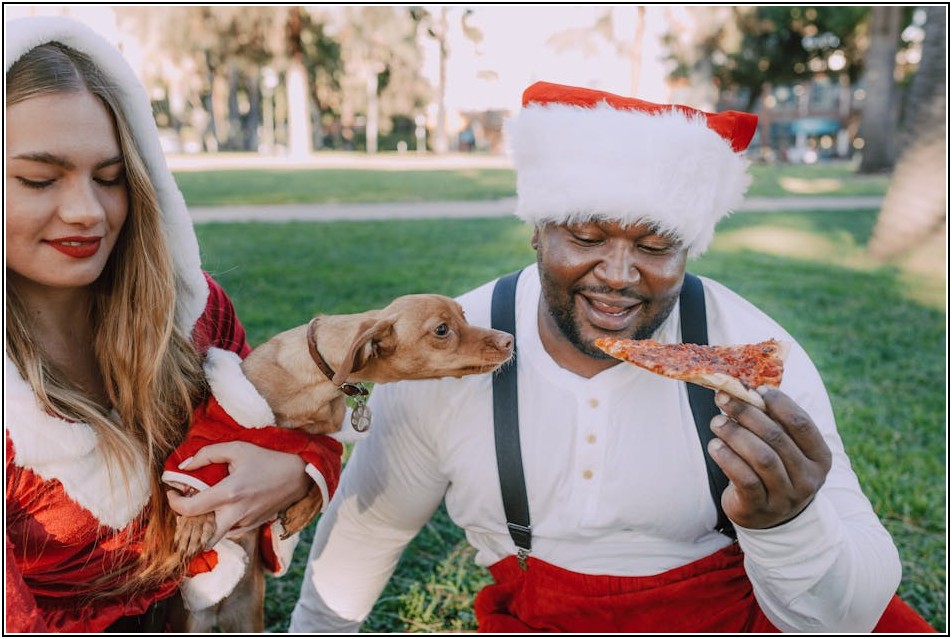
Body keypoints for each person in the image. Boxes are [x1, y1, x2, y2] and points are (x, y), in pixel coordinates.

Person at [289, 81, 936, 633]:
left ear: (690, 249)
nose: (619, 274)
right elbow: (369, 530)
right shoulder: (451, 348)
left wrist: (790, 523)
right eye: (587, 235)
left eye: (656, 245)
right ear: (537, 228)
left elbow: (852, 610)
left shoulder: (753, 352)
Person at [5, 16, 343, 633]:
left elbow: (292, 421)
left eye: (110, 178)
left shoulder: (193, 310)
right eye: (38, 179)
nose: (87, 212)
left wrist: (297, 469)